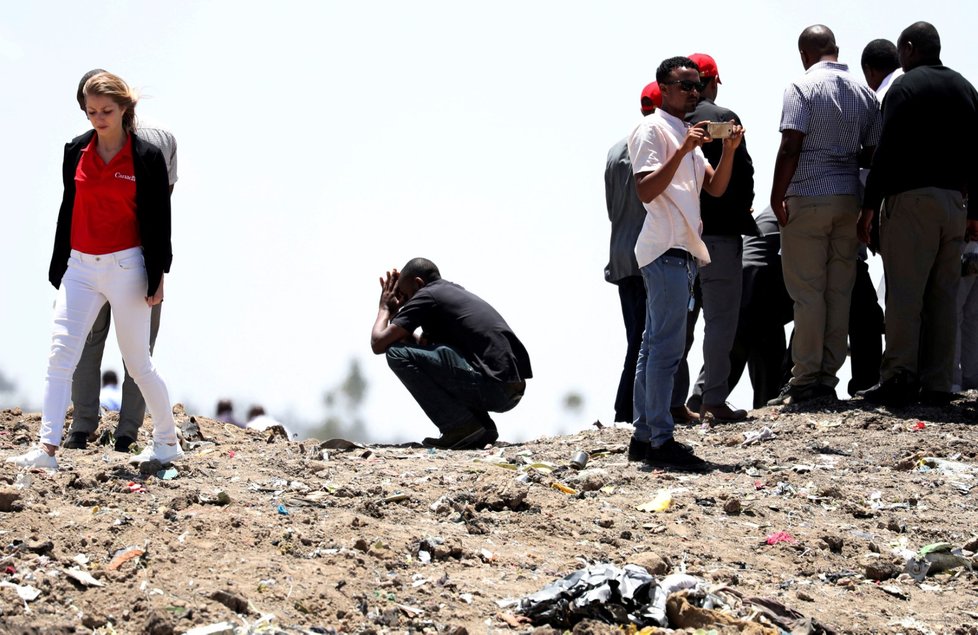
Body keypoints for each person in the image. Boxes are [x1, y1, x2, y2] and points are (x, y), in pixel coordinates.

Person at [6, 72, 181, 469]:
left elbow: (158, 221)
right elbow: (69, 207)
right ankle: (46, 449)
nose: (98, 119)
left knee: (138, 364)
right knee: (60, 356)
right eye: (91, 112)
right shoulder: (75, 150)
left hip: (128, 267)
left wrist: (159, 276)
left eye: (105, 111)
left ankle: (168, 442)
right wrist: (60, 265)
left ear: (123, 110)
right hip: (81, 267)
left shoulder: (147, 157)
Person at [627, 56, 743, 470]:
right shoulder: (652, 129)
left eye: (698, 86)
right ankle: (659, 439)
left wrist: (728, 150)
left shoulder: (682, 132)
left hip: (682, 250)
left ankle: (645, 436)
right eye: (685, 85)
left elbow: (715, 187)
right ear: (664, 87)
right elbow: (645, 189)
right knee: (665, 349)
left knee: (654, 346)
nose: (694, 93)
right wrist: (684, 149)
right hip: (665, 248)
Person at [858, 21, 978, 406]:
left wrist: (868, 208)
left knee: (905, 295)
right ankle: (939, 383)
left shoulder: (904, 87)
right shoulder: (965, 88)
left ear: (909, 48)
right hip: (953, 205)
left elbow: (886, 152)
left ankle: (898, 378)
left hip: (911, 202)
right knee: (943, 296)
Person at [63, 68, 179, 453]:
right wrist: (158, 267)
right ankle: (127, 432)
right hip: (141, 258)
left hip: (102, 257)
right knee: (139, 352)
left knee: (87, 343)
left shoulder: (93, 146)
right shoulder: (160, 138)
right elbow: (164, 206)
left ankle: (82, 427)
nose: (96, 116)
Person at [767, 25, 881, 406]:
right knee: (839, 292)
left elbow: (790, 145)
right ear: (835, 49)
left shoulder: (800, 88)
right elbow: (871, 154)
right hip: (848, 197)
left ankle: (805, 378)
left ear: (804, 54)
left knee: (807, 292)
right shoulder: (865, 93)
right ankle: (828, 376)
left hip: (808, 194)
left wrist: (777, 194)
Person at [370, 258, 531, 449]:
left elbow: (378, 343)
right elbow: (423, 352)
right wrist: (399, 316)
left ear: (419, 283)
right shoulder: (447, 294)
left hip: (494, 387)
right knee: (430, 354)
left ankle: (460, 426)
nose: (405, 302)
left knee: (396, 354)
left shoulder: (427, 295)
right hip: (508, 389)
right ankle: (481, 428)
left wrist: (385, 309)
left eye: (406, 294)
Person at [679, 53, 757, 423]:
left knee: (677, 326)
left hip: (679, 238)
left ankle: (673, 402)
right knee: (721, 321)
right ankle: (712, 399)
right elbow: (743, 175)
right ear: (711, 82)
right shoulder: (726, 118)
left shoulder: (672, 123)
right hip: (720, 235)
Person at [605, 81, 661, 423]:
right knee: (646, 340)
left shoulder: (615, 150)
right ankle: (627, 410)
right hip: (648, 254)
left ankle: (628, 408)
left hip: (622, 253)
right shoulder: (655, 148)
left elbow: (612, 209)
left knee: (635, 337)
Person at [726, 208, 794, 408]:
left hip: (745, 278)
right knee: (732, 358)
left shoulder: (777, 208)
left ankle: (702, 403)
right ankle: (701, 405)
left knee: (737, 354)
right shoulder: (803, 205)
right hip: (763, 282)